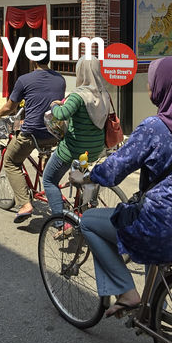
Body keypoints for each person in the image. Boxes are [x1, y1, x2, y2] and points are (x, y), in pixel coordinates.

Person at [74, 57, 172, 318]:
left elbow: (114, 170)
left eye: (152, 82)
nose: (148, 87)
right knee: (155, 227)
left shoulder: (154, 128)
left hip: (160, 227)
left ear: (165, 86)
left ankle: (126, 293)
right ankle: (154, 313)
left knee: (89, 221)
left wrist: (89, 174)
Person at [0, 57, 65, 223]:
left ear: (33, 59)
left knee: (11, 161)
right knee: (46, 168)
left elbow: (10, 107)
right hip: (54, 134)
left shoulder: (24, 80)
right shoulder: (60, 79)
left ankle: (25, 204)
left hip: (32, 134)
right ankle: (50, 189)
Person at [43, 57, 109, 231]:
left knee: (49, 180)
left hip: (74, 149)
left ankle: (60, 223)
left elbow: (62, 114)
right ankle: (86, 200)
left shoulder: (78, 96)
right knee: (81, 174)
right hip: (96, 149)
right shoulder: (104, 94)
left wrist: (54, 105)